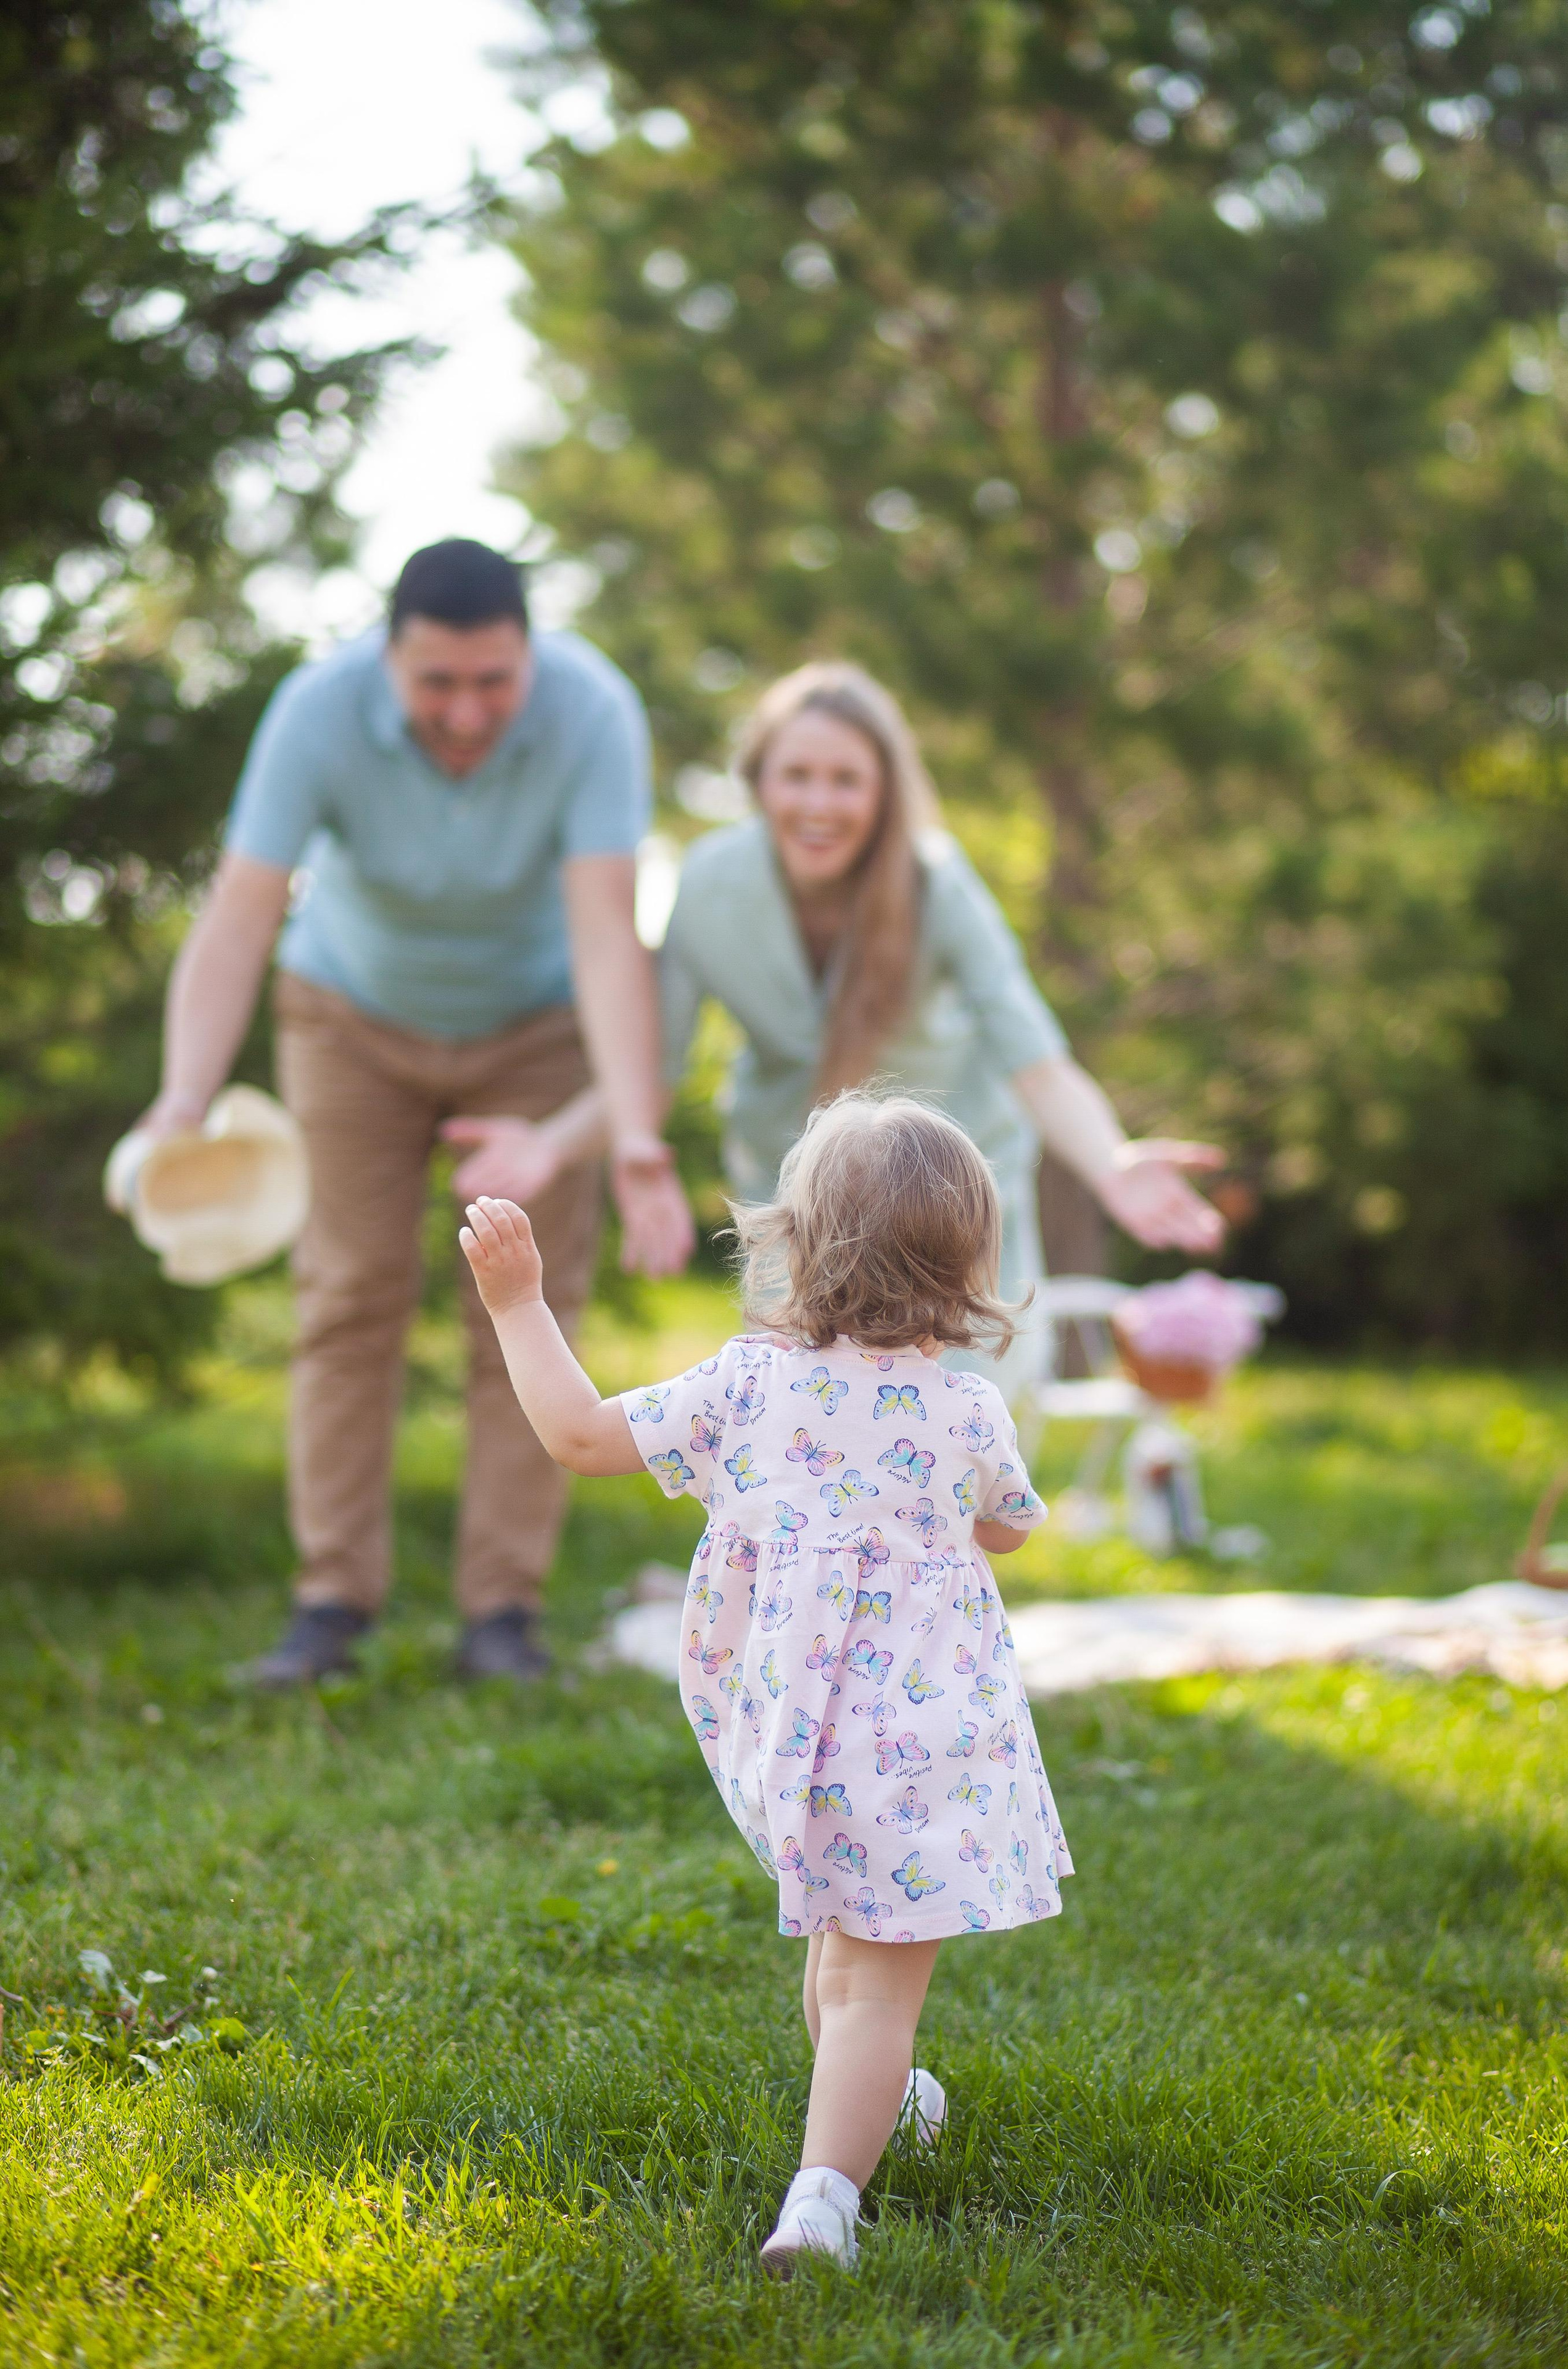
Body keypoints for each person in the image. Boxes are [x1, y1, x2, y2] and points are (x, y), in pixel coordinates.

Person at [458, 1091, 1075, 2271]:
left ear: (797, 1241)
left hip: (799, 1740)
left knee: (839, 1960)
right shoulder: (966, 1408)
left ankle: (881, 2107)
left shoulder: (747, 1389)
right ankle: (825, 2202)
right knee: (872, 1991)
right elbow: (1009, 1527)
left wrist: (519, 1304)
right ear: (967, 1262)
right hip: (928, 1745)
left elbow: (579, 1436)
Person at [138, 539, 693, 1687]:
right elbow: (242, 911)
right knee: (348, 1297)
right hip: (350, 1016)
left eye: (495, 681)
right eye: (438, 683)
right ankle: (330, 1605)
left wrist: (634, 1132)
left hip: (535, 1026)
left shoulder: (592, 710)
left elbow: (607, 930)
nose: (467, 711)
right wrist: (183, 1099)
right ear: (389, 658)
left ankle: (503, 1617)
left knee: (530, 1306)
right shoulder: (318, 710)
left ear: (530, 654)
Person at [659, 662, 1224, 1372]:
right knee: (801, 1405)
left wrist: (1110, 1163)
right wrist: (618, 1152)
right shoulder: (707, 882)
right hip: (797, 1195)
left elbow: (1035, 1061)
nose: (818, 803)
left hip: (945, 1200)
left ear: (884, 792)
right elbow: (651, 1062)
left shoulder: (936, 883)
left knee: (959, 1410)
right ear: (757, 781)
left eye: (846, 780)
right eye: (795, 775)